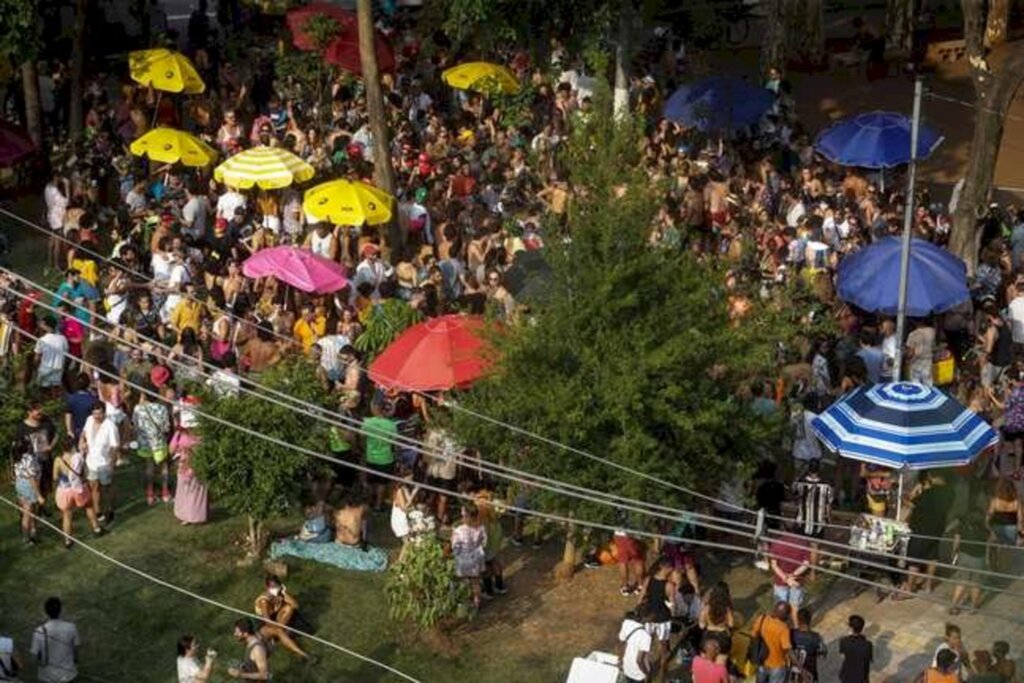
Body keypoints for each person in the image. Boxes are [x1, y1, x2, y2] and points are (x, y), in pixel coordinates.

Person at [53, 449, 102, 548]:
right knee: (89, 506)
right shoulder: (78, 457)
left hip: (65, 491)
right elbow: (86, 472)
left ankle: (68, 541)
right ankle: (97, 529)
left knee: (67, 515)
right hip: (79, 488)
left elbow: (55, 477)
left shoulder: (58, 460)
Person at [635, 557, 675, 679]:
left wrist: (639, 611)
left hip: (650, 618)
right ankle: (663, 671)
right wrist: (673, 616)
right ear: (666, 568)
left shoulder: (648, 579)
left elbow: (640, 598)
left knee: (648, 644)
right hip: (663, 619)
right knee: (663, 647)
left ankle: (647, 673)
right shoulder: (669, 585)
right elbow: (672, 605)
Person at [79, 402, 119, 523]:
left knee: (106, 488)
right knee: (93, 487)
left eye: (99, 413)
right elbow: (83, 433)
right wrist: (81, 442)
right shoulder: (89, 420)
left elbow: (114, 447)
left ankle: (109, 510)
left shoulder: (110, 426)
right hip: (91, 461)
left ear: (104, 413)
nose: (97, 416)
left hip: (104, 463)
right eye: (95, 413)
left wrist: (111, 464)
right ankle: (97, 511)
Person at [253, 576, 310, 661]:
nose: (275, 588)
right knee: (279, 631)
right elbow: (267, 621)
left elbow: (296, 606)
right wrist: (280, 628)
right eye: (272, 587)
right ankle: (303, 654)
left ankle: (280, 636)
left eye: (277, 586)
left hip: (278, 621)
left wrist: (285, 593)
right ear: (267, 587)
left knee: (289, 608)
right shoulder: (264, 601)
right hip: (264, 625)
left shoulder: (280, 595)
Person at [792, 459, 832, 579]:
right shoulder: (827, 485)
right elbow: (828, 505)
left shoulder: (800, 484)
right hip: (818, 521)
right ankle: (813, 573)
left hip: (802, 520)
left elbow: (794, 499)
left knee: (800, 546)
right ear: (819, 470)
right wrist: (829, 518)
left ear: (808, 469)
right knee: (815, 547)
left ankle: (797, 570)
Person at [171, 400, 208, 525]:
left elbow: (171, 448)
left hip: (189, 465)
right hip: (192, 465)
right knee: (193, 491)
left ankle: (190, 516)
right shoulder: (200, 434)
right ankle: (193, 515)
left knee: (189, 491)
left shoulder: (183, 434)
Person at [132, 386, 172, 505]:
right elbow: (166, 428)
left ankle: (150, 493)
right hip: (159, 441)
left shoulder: (138, 408)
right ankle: (165, 492)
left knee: (149, 466)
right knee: (164, 467)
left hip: (144, 442)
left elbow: (135, 425)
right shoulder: (162, 408)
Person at [30, 597, 79, 683]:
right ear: (60, 610)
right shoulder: (71, 627)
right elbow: (76, 650)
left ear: (46, 612)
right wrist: (74, 661)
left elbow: (34, 657)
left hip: (46, 676)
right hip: (68, 675)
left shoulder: (39, 631)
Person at [361, 401, 398, 511]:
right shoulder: (391, 425)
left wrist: (364, 449)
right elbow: (394, 443)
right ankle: (378, 505)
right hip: (386, 458)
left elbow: (362, 437)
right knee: (382, 483)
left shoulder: (367, 422)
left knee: (371, 481)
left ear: (376, 409)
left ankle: (369, 502)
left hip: (371, 457)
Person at [451, 502, 487, 610]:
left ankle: (465, 602)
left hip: (464, 560)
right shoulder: (481, 527)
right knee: (476, 581)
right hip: (476, 558)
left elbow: (455, 546)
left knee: (464, 581)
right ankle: (477, 602)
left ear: (466, 516)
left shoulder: (459, 530)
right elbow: (484, 542)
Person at [769, 526, 811, 613]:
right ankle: (795, 625)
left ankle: (781, 625)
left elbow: (774, 565)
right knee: (795, 605)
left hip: (780, 580)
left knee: (781, 606)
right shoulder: (804, 543)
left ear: (784, 529)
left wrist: (786, 578)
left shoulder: (776, 543)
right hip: (797, 579)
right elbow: (806, 563)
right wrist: (793, 575)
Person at [752, 601, 792, 683]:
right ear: (786, 616)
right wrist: (801, 669)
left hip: (762, 662)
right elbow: (787, 649)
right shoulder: (783, 629)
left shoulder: (762, 619)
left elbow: (753, 634)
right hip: (777, 666)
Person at [617, 605, 655, 683]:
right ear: (647, 617)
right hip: (638, 674)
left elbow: (621, 643)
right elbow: (639, 660)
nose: (654, 617)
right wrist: (646, 674)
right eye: (652, 615)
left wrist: (620, 660)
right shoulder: (645, 636)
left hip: (626, 667)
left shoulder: (626, 623)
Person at [791, 607, 826, 682]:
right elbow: (823, 654)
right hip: (810, 675)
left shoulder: (791, 633)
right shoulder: (816, 637)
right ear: (810, 619)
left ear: (798, 619)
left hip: (794, 676)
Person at [34, 316, 68, 391]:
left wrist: (35, 369)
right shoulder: (63, 339)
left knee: (43, 394)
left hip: (44, 371)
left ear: (45, 325)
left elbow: (36, 358)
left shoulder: (42, 340)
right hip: (58, 373)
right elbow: (65, 357)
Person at [838, 614, 872, 683]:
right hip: (861, 677)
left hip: (847, 675)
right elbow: (867, 660)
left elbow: (843, 656)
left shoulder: (844, 641)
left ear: (851, 628)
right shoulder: (867, 645)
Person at [614, 529, 646, 596]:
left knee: (623, 562)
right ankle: (640, 585)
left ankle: (625, 587)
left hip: (620, 535)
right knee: (638, 561)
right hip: (635, 535)